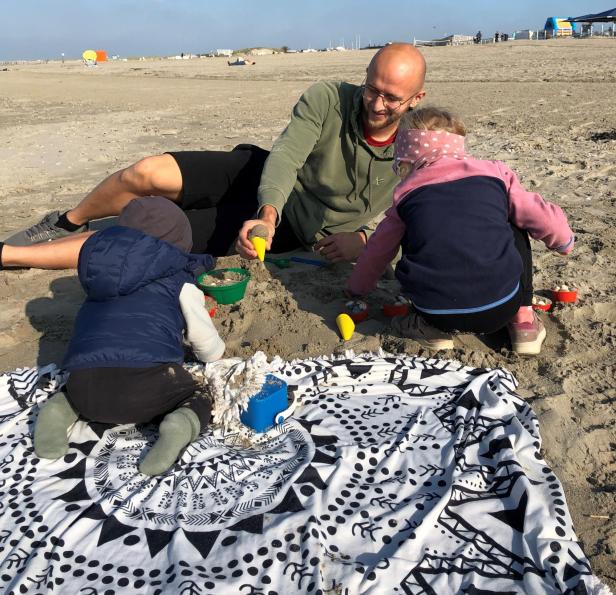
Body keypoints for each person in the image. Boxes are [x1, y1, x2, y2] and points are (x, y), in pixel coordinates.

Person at [1, 43, 426, 268]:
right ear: (364, 78)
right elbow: (286, 157)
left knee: (144, 237)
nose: (376, 104)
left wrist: (365, 240)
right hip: (263, 184)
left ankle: (8, 256)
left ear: (416, 98)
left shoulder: (420, 144)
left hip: (298, 230)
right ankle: (64, 222)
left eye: (392, 98)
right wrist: (267, 214)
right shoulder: (328, 97)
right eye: (372, 89)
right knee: (147, 172)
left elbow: (424, 214)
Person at [346, 107, 574, 355]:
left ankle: (430, 330)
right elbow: (539, 215)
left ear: (406, 158)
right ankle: (523, 321)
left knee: (414, 227)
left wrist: (357, 288)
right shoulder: (495, 173)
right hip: (503, 305)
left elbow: (378, 251)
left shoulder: (405, 195)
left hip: (435, 312)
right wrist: (563, 242)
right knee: (515, 219)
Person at [32, 197, 226, 476]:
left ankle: (60, 409)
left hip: (85, 389)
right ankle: (180, 424)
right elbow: (207, 345)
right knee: (199, 394)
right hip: (146, 391)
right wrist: (214, 353)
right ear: (180, 243)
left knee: (75, 389)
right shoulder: (179, 283)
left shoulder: (98, 279)